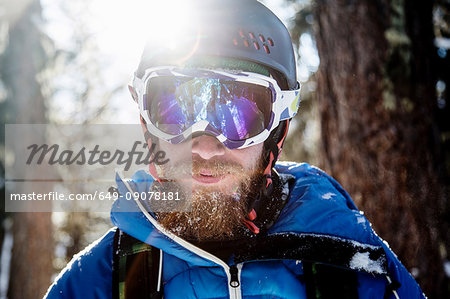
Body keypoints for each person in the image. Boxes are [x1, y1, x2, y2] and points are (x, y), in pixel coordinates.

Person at [44, 0, 425, 298]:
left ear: (278, 130)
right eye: (177, 111)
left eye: (238, 116)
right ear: (146, 122)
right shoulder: (96, 282)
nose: (206, 147)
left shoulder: (358, 268)